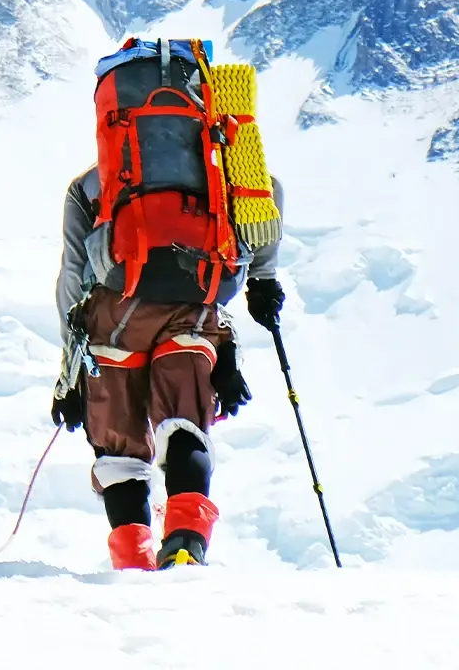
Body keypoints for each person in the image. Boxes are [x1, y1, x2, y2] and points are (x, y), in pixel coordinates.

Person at [51, 152, 286, 570]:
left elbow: (73, 276)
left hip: (114, 318)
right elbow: (269, 193)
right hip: (193, 308)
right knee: (184, 424)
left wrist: (70, 376)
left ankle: (134, 563)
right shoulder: (228, 162)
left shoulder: (95, 180)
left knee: (118, 450)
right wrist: (262, 280)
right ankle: (185, 544)